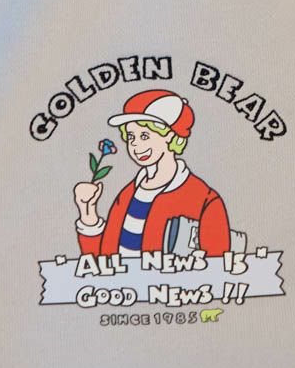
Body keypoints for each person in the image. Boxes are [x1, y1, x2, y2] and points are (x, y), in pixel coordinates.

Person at [73, 88, 230, 256]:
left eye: (144, 136)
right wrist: (88, 213)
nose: (135, 145)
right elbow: (103, 262)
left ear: (170, 135)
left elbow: (218, 265)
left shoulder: (204, 200)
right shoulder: (127, 196)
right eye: (131, 136)